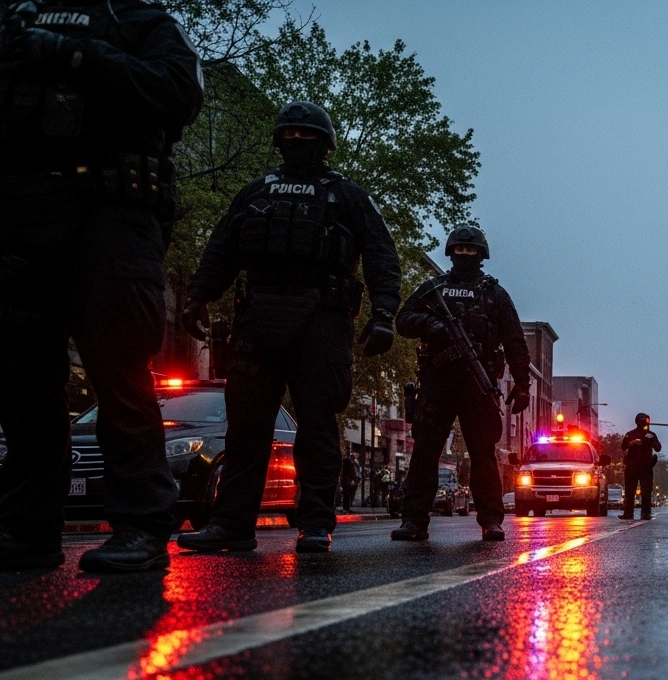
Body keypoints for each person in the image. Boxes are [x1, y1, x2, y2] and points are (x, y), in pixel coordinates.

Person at [0, 3, 204, 572]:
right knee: (21, 376)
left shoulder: (136, 19)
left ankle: (140, 523)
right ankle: (27, 527)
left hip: (111, 213)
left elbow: (179, 91)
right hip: (18, 214)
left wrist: (79, 55)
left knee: (118, 369)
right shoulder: (13, 17)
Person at [178, 101, 401, 555]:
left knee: (318, 426)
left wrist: (384, 315)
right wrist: (197, 296)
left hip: (322, 321)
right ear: (279, 141)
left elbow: (381, 256)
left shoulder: (348, 196)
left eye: (308, 137)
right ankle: (232, 525)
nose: (298, 143)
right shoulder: (256, 193)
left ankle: (316, 523)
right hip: (258, 320)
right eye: (290, 136)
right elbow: (221, 248)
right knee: (245, 429)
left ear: (325, 145)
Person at [385, 226, 530, 542]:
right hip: (438, 381)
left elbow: (515, 339)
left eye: (471, 250)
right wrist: (431, 324)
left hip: (477, 384)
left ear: (481, 255)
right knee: (425, 452)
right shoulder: (432, 289)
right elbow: (403, 320)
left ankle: (491, 521)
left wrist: (523, 384)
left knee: (483, 454)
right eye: (460, 250)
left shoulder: (494, 294)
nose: (465, 254)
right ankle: (413, 521)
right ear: (451, 253)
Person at [620, 413, 661, 520]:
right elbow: (623, 446)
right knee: (630, 491)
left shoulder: (651, 435)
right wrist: (631, 443)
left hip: (645, 467)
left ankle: (643, 513)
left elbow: (658, 448)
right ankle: (630, 513)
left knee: (645, 491)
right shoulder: (630, 435)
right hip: (632, 466)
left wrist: (651, 440)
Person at [340, 449, 360, 513]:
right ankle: (346, 508)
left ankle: (346, 508)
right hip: (347, 480)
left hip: (345, 480)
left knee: (347, 494)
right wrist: (353, 479)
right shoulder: (349, 462)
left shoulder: (345, 462)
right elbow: (351, 472)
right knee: (347, 495)